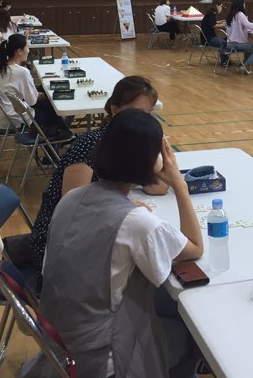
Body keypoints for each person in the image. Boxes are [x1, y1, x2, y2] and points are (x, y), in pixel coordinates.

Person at [35, 110, 203, 378]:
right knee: (192, 333)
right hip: (101, 356)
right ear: (150, 160)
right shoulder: (137, 223)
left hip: (58, 339)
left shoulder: (72, 198)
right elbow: (194, 248)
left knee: (164, 298)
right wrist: (179, 184)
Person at [29, 76, 164, 270]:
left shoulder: (133, 144)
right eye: (137, 113)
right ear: (114, 110)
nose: (143, 121)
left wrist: (154, 150)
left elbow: (157, 188)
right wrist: (119, 206)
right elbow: (74, 206)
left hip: (99, 229)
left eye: (149, 114)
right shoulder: (89, 144)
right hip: (59, 243)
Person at [0, 34, 65, 135]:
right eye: (27, 47)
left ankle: (64, 133)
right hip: (16, 117)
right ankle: (63, 134)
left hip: (3, 114)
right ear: (19, 51)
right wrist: (38, 94)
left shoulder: (0, 67)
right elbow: (32, 101)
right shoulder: (21, 72)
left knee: (46, 101)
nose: (28, 50)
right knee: (51, 107)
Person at [225, 0, 253, 73]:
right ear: (241, 5)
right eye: (244, 4)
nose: (245, 5)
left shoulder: (230, 15)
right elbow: (248, 25)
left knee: (249, 46)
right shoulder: (240, 14)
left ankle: (245, 64)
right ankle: (247, 64)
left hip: (229, 43)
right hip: (237, 44)